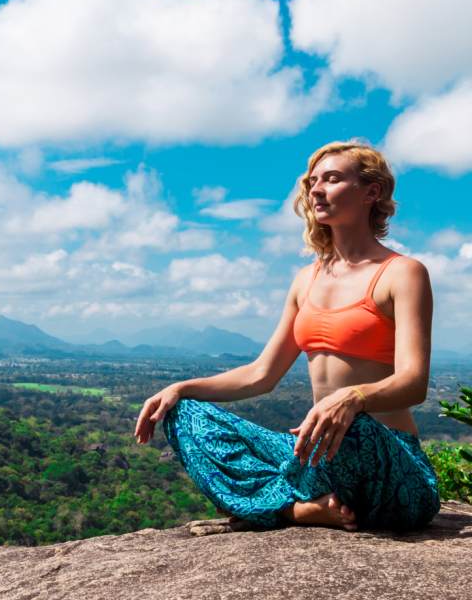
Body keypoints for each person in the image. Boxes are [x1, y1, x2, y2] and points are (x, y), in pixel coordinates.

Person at [134, 140, 441, 533]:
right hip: (318, 456)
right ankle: (297, 511)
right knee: (184, 413)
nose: (316, 190)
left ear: (372, 192)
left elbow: (414, 383)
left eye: (331, 179)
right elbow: (262, 374)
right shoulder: (305, 280)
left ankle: (277, 504)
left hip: (387, 460)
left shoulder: (402, 273)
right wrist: (181, 388)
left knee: (355, 426)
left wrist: (353, 398)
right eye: (312, 182)